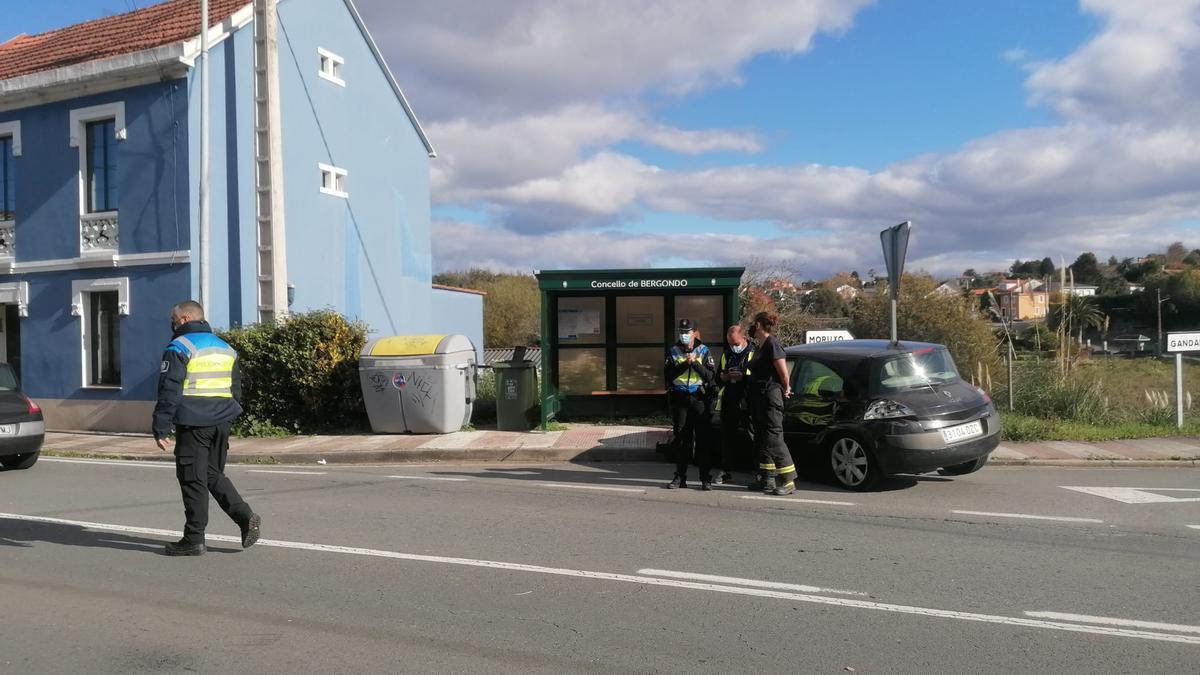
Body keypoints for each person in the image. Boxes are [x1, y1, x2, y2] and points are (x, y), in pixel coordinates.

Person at [153, 300, 261, 556]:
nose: (172, 322)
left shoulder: (180, 346)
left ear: (185, 318)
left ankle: (193, 539)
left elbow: (170, 390)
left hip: (194, 423)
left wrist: (161, 427)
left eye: (174, 317)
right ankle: (245, 517)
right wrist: (228, 414)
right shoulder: (225, 347)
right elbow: (236, 390)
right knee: (212, 474)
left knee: (192, 479)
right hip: (221, 422)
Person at [745, 312, 797, 496]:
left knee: (774, 439)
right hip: (759, 398)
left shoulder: (772, 344)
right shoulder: (760, 347)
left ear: (758, 325)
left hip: (770, 396)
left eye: (753, 324)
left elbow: (783, 372)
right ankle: (767, 478)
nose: (751, 327)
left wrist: (787, 387)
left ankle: (789, 480)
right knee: (761, 439)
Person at [664, 318, 716, 490]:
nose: (684, 335)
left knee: (702, 440)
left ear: (694, 332)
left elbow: (710, 376)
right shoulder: (673, 350)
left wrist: (695, 363)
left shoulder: (703, 350)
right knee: (681, 441)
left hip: (699, 399)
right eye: (682, 332)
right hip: (680, 399)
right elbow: (668, 375)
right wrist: (685, 363)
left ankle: (705, 478)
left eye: (687, 332)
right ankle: (680, 477)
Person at [712, 324, 754, 484]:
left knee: (753, 437)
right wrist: (723, 377)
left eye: (735, 344)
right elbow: (717, 377)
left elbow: (759, 378)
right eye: (730, 343)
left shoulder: (754, 353)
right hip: (729, 401)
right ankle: (726, 470)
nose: (733, 346)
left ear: (744, 338)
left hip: (747, 402)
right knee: (727, 438)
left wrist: (743, 377)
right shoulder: (727, 354)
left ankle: (759, 472)